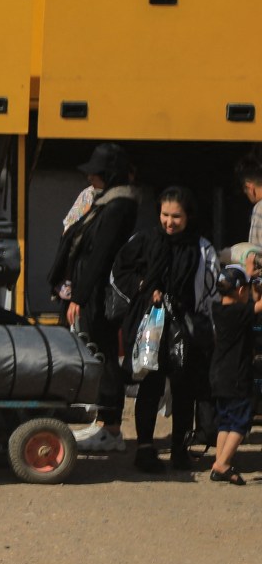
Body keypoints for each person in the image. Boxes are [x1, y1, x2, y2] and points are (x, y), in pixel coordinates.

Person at [109, 187, 216, 475]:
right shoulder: (143, 240)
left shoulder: (202, 248)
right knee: (150, 385)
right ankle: (144, 449)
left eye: (176, 217)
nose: (169, 222)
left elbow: (208, 288)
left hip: (185, 326)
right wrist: (145, 287)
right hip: (150, 325)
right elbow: (121, 272)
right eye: (165, 215)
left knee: (184, 390)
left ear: (188, 216)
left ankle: (180, 451)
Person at [52, 144, 140, 455]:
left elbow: (100, 255)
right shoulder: (107, 201)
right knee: (99, 354)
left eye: (96, 171)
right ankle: (103, 421)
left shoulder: (118, 206)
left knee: (103, 357)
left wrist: (80, 295)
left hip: (99, 294)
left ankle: (111, 428)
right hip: (91, 291)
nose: (90, 176)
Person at [207, 261, 259, 485]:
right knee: (240, 421)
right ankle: (223, 463)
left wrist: (248, 276)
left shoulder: (219, 309)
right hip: (236, 376)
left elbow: (248, 300)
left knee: (226, 421)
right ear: (240, 291)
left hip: (219, 375)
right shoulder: (239, 312)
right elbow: (257, 306)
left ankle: (220, 462)